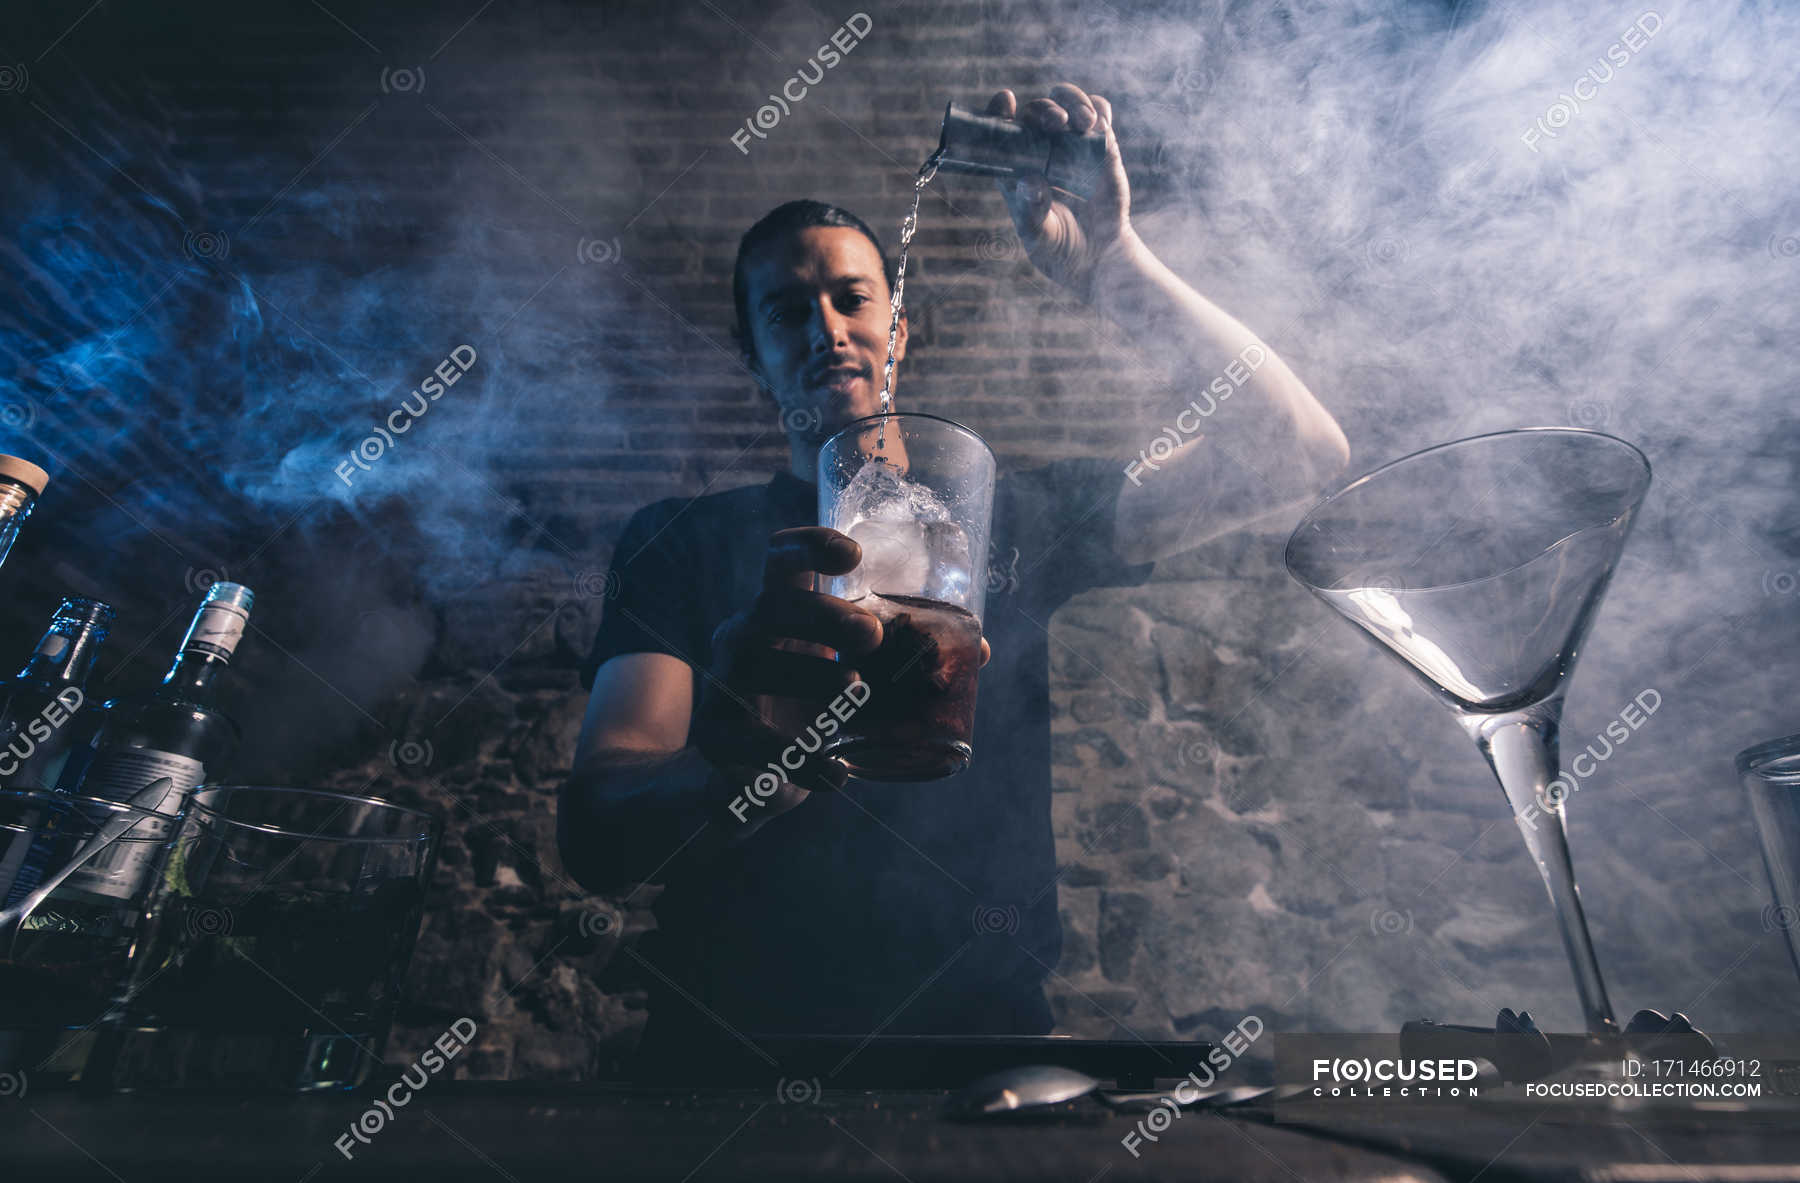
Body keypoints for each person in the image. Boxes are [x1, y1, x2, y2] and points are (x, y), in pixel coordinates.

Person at [558, 84, 1349, 1053]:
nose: (825, 327)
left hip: (983, 1051)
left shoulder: (1015, 515)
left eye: (852, 298)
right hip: (727, 1050)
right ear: (754, 357)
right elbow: (597, 826)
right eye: (785, 310)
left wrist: (1114, 264)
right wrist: (742, 770)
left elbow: (1298, 452)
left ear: (901, 330)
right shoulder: (678, 540)